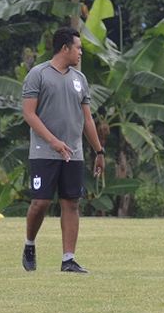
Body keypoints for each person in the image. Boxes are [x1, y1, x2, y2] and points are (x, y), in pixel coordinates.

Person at [20, 27, 105, 273]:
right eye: (78, 47)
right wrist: (53, 141)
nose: (81, 52)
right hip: (44, 151)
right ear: (65, 48)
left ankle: (68, 259)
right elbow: (29, 113)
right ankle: (29, 244)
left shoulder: (80, 79)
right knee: (41, 203)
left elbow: (87, 120)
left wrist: (99, 151)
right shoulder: (38, 74)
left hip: (74, 154)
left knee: (71, 203)